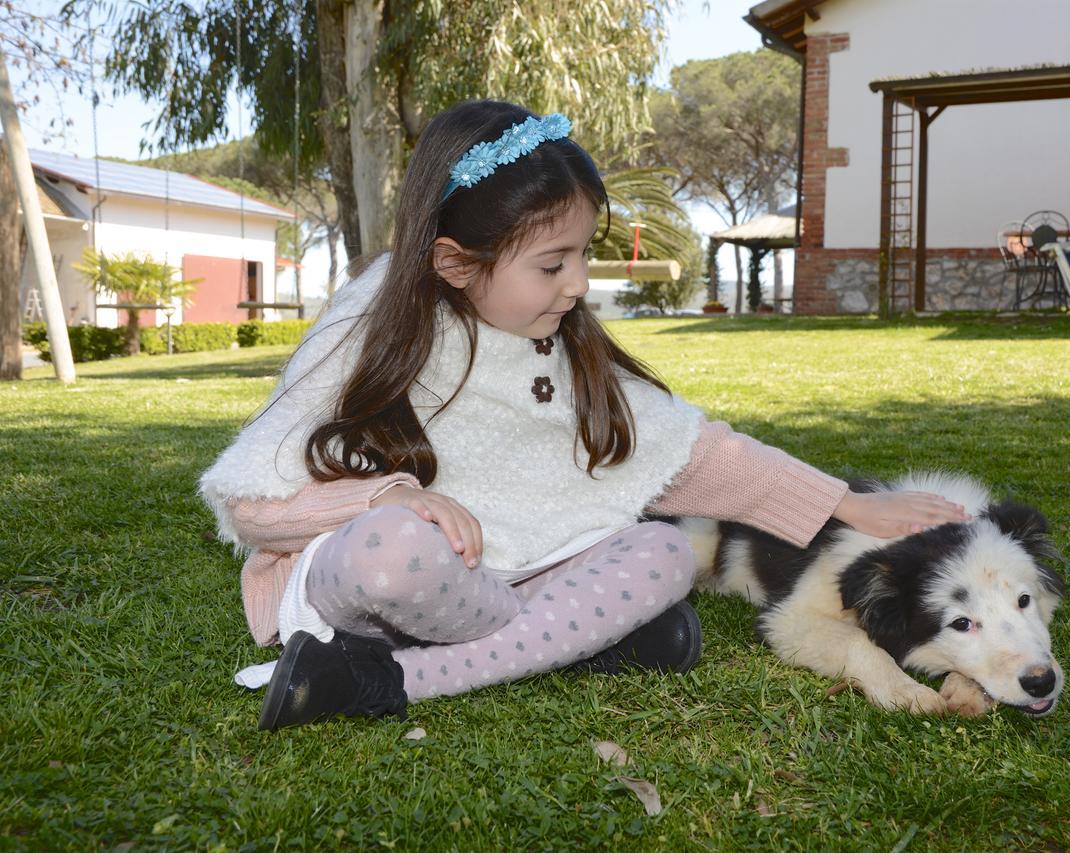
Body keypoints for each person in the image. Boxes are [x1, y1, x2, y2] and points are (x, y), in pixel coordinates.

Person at [199, 100, 969, 731]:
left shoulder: (564, 343)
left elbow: (697, 456)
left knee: (663, 556)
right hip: (378, 589)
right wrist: (386, 496)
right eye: (552, 263)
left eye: (583, 255)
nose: (579, 284)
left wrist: (847, 501)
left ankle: (376, 679)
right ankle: (570, 639)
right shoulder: (362, 327)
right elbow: (252, 502)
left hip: (518, 578)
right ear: (455, 263)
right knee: (392, 550)